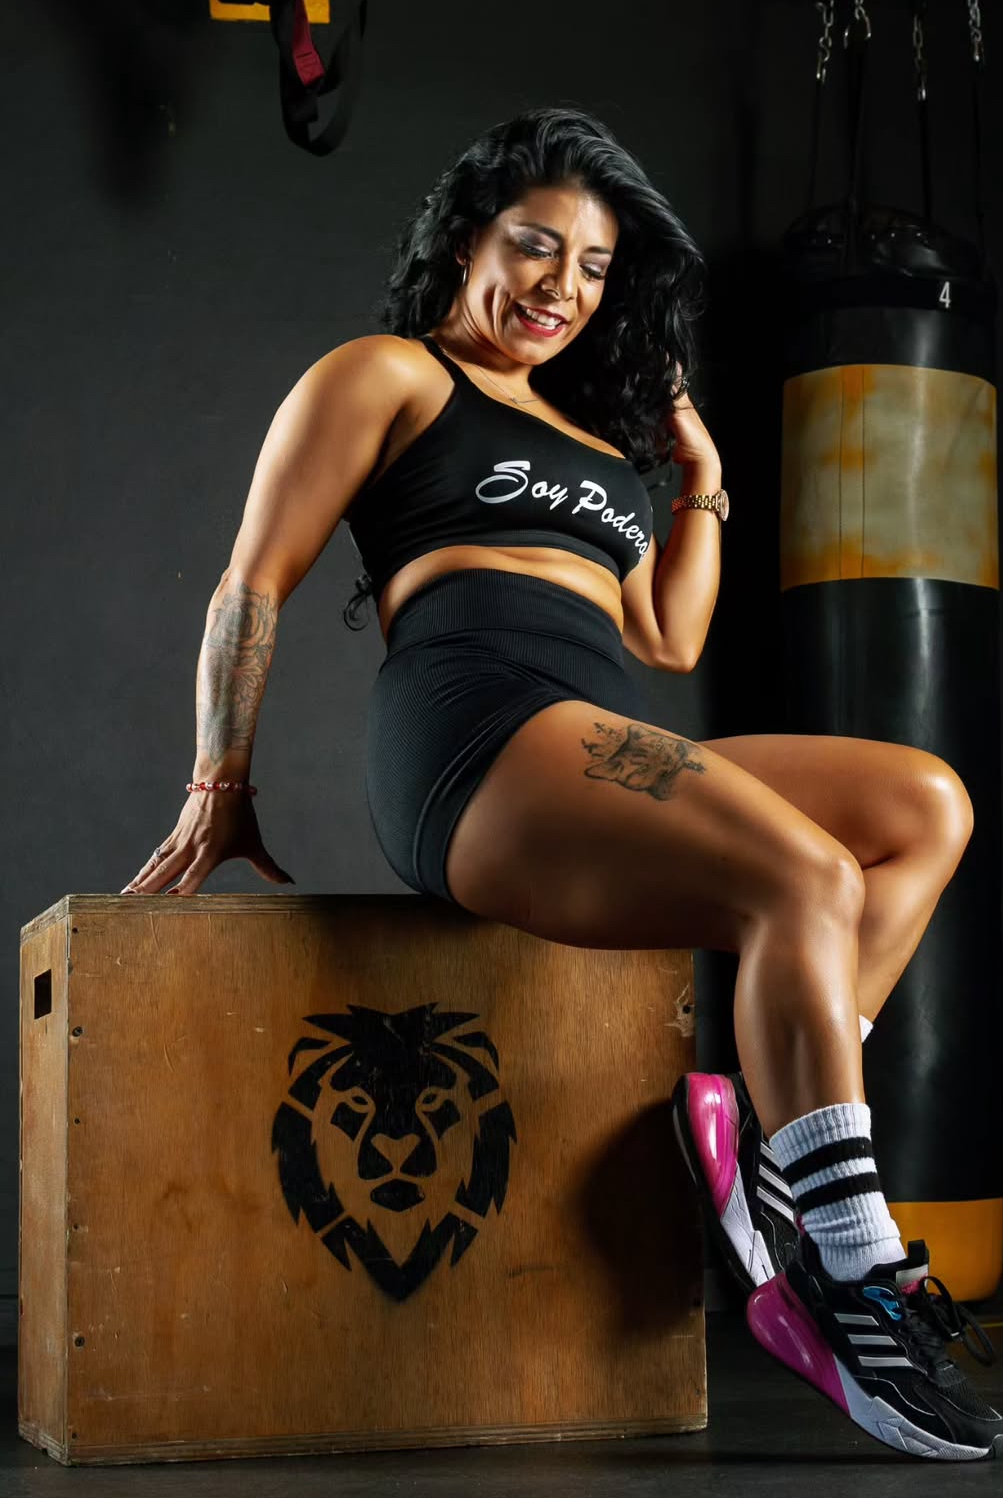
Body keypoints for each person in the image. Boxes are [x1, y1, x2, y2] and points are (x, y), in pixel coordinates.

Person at [121, 106, 1000, 1461]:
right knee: (809, 876)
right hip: (475, 736)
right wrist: (216, 778)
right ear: (467, 240)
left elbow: (671, 637)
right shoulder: (391, 377)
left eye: (592, 267)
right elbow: (252, 580)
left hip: (592, 736)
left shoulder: (595, 445)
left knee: (925, 806)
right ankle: (849, 1273)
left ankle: (774, 1155)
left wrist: (700, 478)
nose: (562, 287)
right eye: (536, 247)